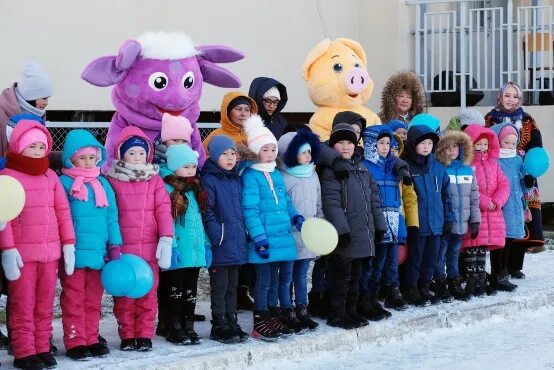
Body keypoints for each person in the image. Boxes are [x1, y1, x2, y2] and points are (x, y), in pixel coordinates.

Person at [0, 120, 75, 369]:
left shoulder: (50, 176)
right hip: (22, 254)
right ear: (18, 147)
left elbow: (62, 211)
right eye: (31, 146)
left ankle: (42, 347)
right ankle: (24, 351)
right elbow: (5, 217)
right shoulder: (8, 177)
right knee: (23, 304)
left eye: (41, 147)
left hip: (49, 253)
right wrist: (8, 250)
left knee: (44, 304)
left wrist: (68, 244)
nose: (37, 151)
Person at [106, 127, 173, 352]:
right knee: (124, 294)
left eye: (141, 153)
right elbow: (110, 214)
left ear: (149, 154)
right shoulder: (113, 180)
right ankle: (127, 334)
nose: (137, 157)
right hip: (124, 250)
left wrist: (166, 238)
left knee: (147, 292)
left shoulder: (154, 181)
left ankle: (144, 333)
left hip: (150, 248)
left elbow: (163, 209)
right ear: (121, 154)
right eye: (131, 153)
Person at [59, 129, 121, 361]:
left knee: (94, 298)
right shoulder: (64, 183)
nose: (87, 162)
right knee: (74, 298)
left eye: (92, 157)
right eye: (82, 157)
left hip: (98, 253)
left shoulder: (103, 185)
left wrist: (115, 245)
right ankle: (75, 340)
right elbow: (60, 217)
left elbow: (111, 216)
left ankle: (91, 337)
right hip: (73, 254)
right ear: (71, 158)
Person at [241, 115, 303, 341]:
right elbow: (250, 209)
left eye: (272, 149)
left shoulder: (275, 173)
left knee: (276, 281)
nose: (270, 153)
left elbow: (285, 202)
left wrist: (295, 217)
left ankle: (273, 317)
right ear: (256, 151)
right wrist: (258, 237)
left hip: (282, 237)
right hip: (265, 239)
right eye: (265, 149)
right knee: (263, 281)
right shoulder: (251, 175)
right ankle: (260, 321)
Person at [320, 123, 387, 329]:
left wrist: (379, 225)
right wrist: (340, 230)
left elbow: (374, 199)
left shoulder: (362, 168)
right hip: (345, 232)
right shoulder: (332, 170)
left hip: (362, 231)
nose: (346, 146)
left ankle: (352, 310)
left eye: (350, 142)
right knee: (342, 276)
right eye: (341, 142)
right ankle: (338, 313)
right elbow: (331, 202)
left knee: (357, 276)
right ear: (333, 145)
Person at [485, 81, 544, 272]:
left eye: (515, 96)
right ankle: (499, 267)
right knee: (501, 220)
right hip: (498, 175)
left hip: (522, 173)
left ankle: (516, 266)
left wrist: (528, 168)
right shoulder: (490, 119)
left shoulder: (528, 120)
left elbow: (536, 146)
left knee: (522, 219)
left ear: (520, 99)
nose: (511, 100)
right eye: (507, 95)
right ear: (500, 97)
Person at [158, 144, 210, 346]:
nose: (191, 171)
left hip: (194, 250)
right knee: (174, 289)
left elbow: (200, 219)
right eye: (186, 166)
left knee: (190, 290)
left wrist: (205, 244)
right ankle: (173, 325)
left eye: (193, 166)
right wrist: (170, 246)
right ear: (173, 166)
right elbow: (166, 220)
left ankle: (188, 325)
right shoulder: (166, 188)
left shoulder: (195, 188)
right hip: (177, 249)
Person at [359, 125, 412, 319]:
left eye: (388, 143)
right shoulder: (365, 166)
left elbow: (398, 198)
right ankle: (369, 296)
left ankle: (391, 291)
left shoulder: (392, 166)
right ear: (371, 143)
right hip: (376, 222)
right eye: (381, 143)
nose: (385, 147)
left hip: (393, 220)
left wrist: (401, 226)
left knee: (391, 260)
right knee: (374, 262)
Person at [400, 120, 454, 306]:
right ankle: (411, 288)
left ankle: (424, 286)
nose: (426, 147)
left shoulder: (438, 167)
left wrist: (449, 219)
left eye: (430, 143)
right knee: (415, 258)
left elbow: (447, 195)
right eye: (422, 143)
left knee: (431, 258)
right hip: (417, 224)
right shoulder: (406, 167)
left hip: (436, 224)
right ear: (414, 144)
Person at [202, 135, 249, 344]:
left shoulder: (236, 178)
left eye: (232, 153)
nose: (230, 158)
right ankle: (219, 323)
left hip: (236, 241)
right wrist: (217, 235)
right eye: (224, 154)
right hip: (221, 242)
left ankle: (232, 320)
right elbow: (208, 210)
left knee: (233, 286)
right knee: (220, 286)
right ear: (214, 157)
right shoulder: (209, 179)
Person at [277, 128, 322, 331]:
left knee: (302, 275)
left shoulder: (313, 175)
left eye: (309, 152)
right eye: (303, 152)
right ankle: (286, 309)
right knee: (286, 275)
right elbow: (280, 207)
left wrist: (320, 226)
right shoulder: (283, 177)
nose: (308, 156)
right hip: (288, 236)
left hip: (308, 235)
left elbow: (319, 204)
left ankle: (302, 308)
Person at [462, 124, 510, 297]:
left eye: (485, 144)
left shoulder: (494, 164)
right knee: (472, 247)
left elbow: (504, 184)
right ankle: (471, 279)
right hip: (476, 212)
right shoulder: (467, 164)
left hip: (493, 213)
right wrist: (484, 201)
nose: (482, 148)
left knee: (482, 248)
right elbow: (468, 187)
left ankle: (481, 278)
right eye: (479, 144)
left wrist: (496, 201)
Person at [434, 130, 480, 302]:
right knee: (441, 252)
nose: (452, 150)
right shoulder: (441, 169)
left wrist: (475, 219)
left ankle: (454, 280)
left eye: (455, 146)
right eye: (448, 147)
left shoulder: (468, 171)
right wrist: (444, 218)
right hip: (446, 222)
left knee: (454, 253)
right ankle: (440, 281)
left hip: (462, 222)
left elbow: (474, 197)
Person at [490, 123, 526, 291]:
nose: (510, 146)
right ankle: (497, 273)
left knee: (509, 240)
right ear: (498, 141)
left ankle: (503, 271)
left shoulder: (518, 159)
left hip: (515, 205)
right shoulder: (495, 159)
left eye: (513, 142)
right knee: (499, 242)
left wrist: (528, 182)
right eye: (506, 142)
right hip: (501, 206)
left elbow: (522, 181)